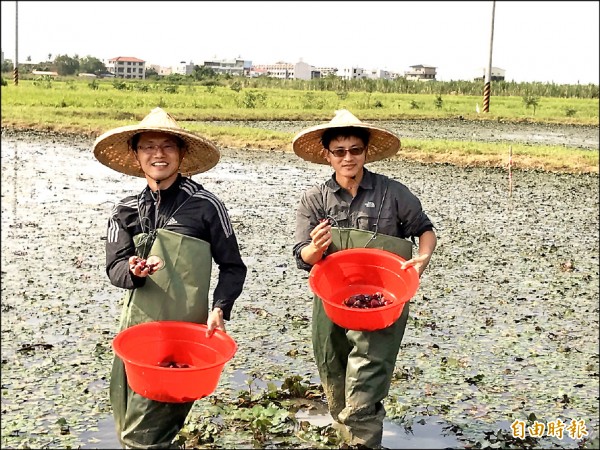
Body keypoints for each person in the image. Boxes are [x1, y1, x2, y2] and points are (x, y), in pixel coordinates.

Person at [93, 107, 247, 449]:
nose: (158, 154)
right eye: (148, 146)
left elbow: (233, 267)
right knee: (126, 424)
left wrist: (220, 307)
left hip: (183, 338)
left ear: (181, 153)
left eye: (167, 146)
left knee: (141, 437)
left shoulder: (206, 206)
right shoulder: (124, 210)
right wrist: (133, 270)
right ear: (136, 154)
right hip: (134, 333)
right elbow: (114, 268)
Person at [292, 109, 437, 449]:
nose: (347, 157)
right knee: (334, 373)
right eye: (339, 151)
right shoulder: (315, 199)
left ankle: (362, 441)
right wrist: (315, 248)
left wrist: (421, 261)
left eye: (355, 150)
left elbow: (425, 231)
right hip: (331, 302)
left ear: (366, 153)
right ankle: (350, 438)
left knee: (366, 382)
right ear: (327, 155)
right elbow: (301, 255)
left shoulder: (393, 193)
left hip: (382, 303)